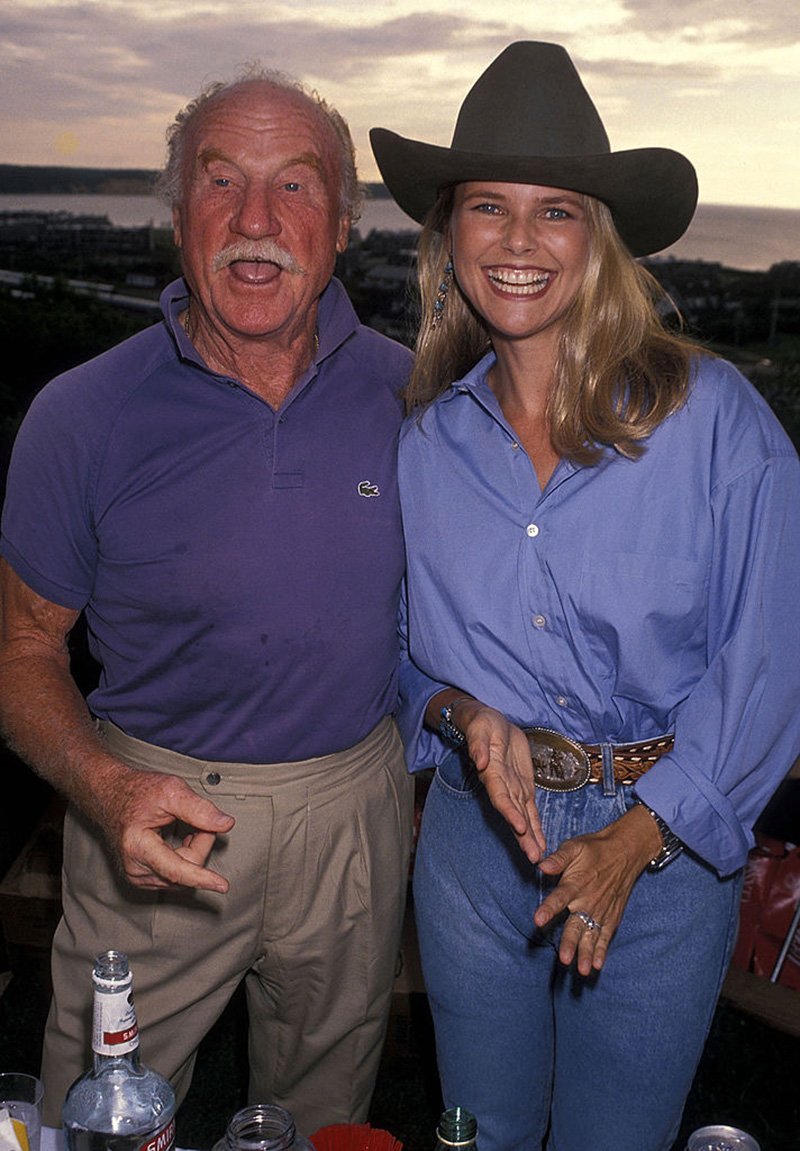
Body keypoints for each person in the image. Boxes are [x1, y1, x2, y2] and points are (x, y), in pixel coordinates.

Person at [370, 40, 800, 1151]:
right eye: (486, 209)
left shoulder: (715, 425)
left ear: (596, 237)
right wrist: (465, 714)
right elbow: (406, 653)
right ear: (447, 236)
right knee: (486, 1130)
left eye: (553, 210)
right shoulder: (427, 440)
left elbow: (769, 667)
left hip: (657, 850)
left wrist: (635, 836)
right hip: (475, 843)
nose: (516, 242)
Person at [0, 65, 414, 1134]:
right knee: (99, 1116)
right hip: (149, 820)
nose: (254, 220)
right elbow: (22, 648)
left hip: (351, 819)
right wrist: (102, 786)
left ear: (342, 223)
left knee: (325, 1112)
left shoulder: (417, 397)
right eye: (221, 182)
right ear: (178, 214)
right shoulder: (80, 414)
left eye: (294, 185)